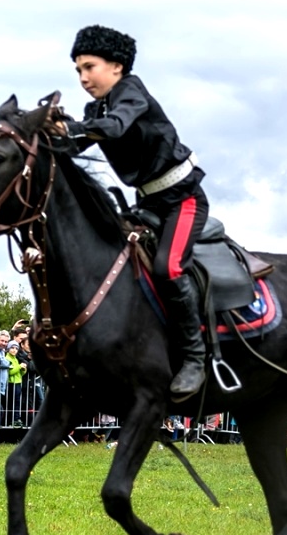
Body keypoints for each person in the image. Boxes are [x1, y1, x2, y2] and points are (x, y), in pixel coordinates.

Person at [51, 25, 209, 401]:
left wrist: (73, 128)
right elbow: (76, 144)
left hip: (183, 200)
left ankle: (194, 358)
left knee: (168, 268)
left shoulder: (131, 92)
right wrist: (46, 133)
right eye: (77, 71)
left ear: (117, 66)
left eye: (89, 67)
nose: (83, 77)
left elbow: (116, 126)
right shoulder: (97, 109)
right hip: (147, 204)